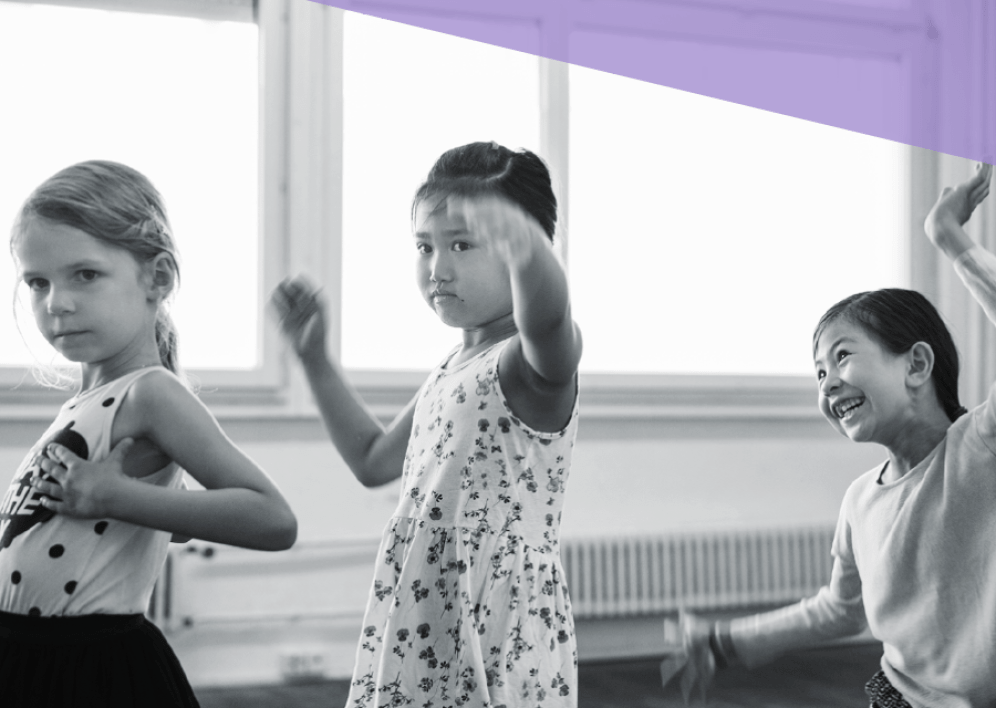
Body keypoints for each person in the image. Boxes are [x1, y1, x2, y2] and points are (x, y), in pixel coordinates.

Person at [661, 163, 996, 708]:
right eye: (819, 372)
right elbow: (840, 609)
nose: (829, 382)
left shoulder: (980, 446)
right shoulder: (860, 501)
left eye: (843, 356)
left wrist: (949, 238)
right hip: (900, 698)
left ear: (916, 364)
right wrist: (726, 641)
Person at [272, 141, 583, 706]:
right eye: (425, 246)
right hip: (428, 606)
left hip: (496, 617)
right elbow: (372, 460)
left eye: (463, 244)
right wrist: (314, 359)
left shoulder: (528, 363)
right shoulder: (452, 369)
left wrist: (526, 247)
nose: (438, 268)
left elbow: (551, 316)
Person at [0, 160, 298, 707]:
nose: (56, 303)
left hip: (88, 666)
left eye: (85, 274)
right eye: (37, 282)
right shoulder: (85, 401)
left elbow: (273, 519)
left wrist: (120, 496)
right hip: (26, 655)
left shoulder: (151, 393)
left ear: (156, 278)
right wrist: (150, 505)